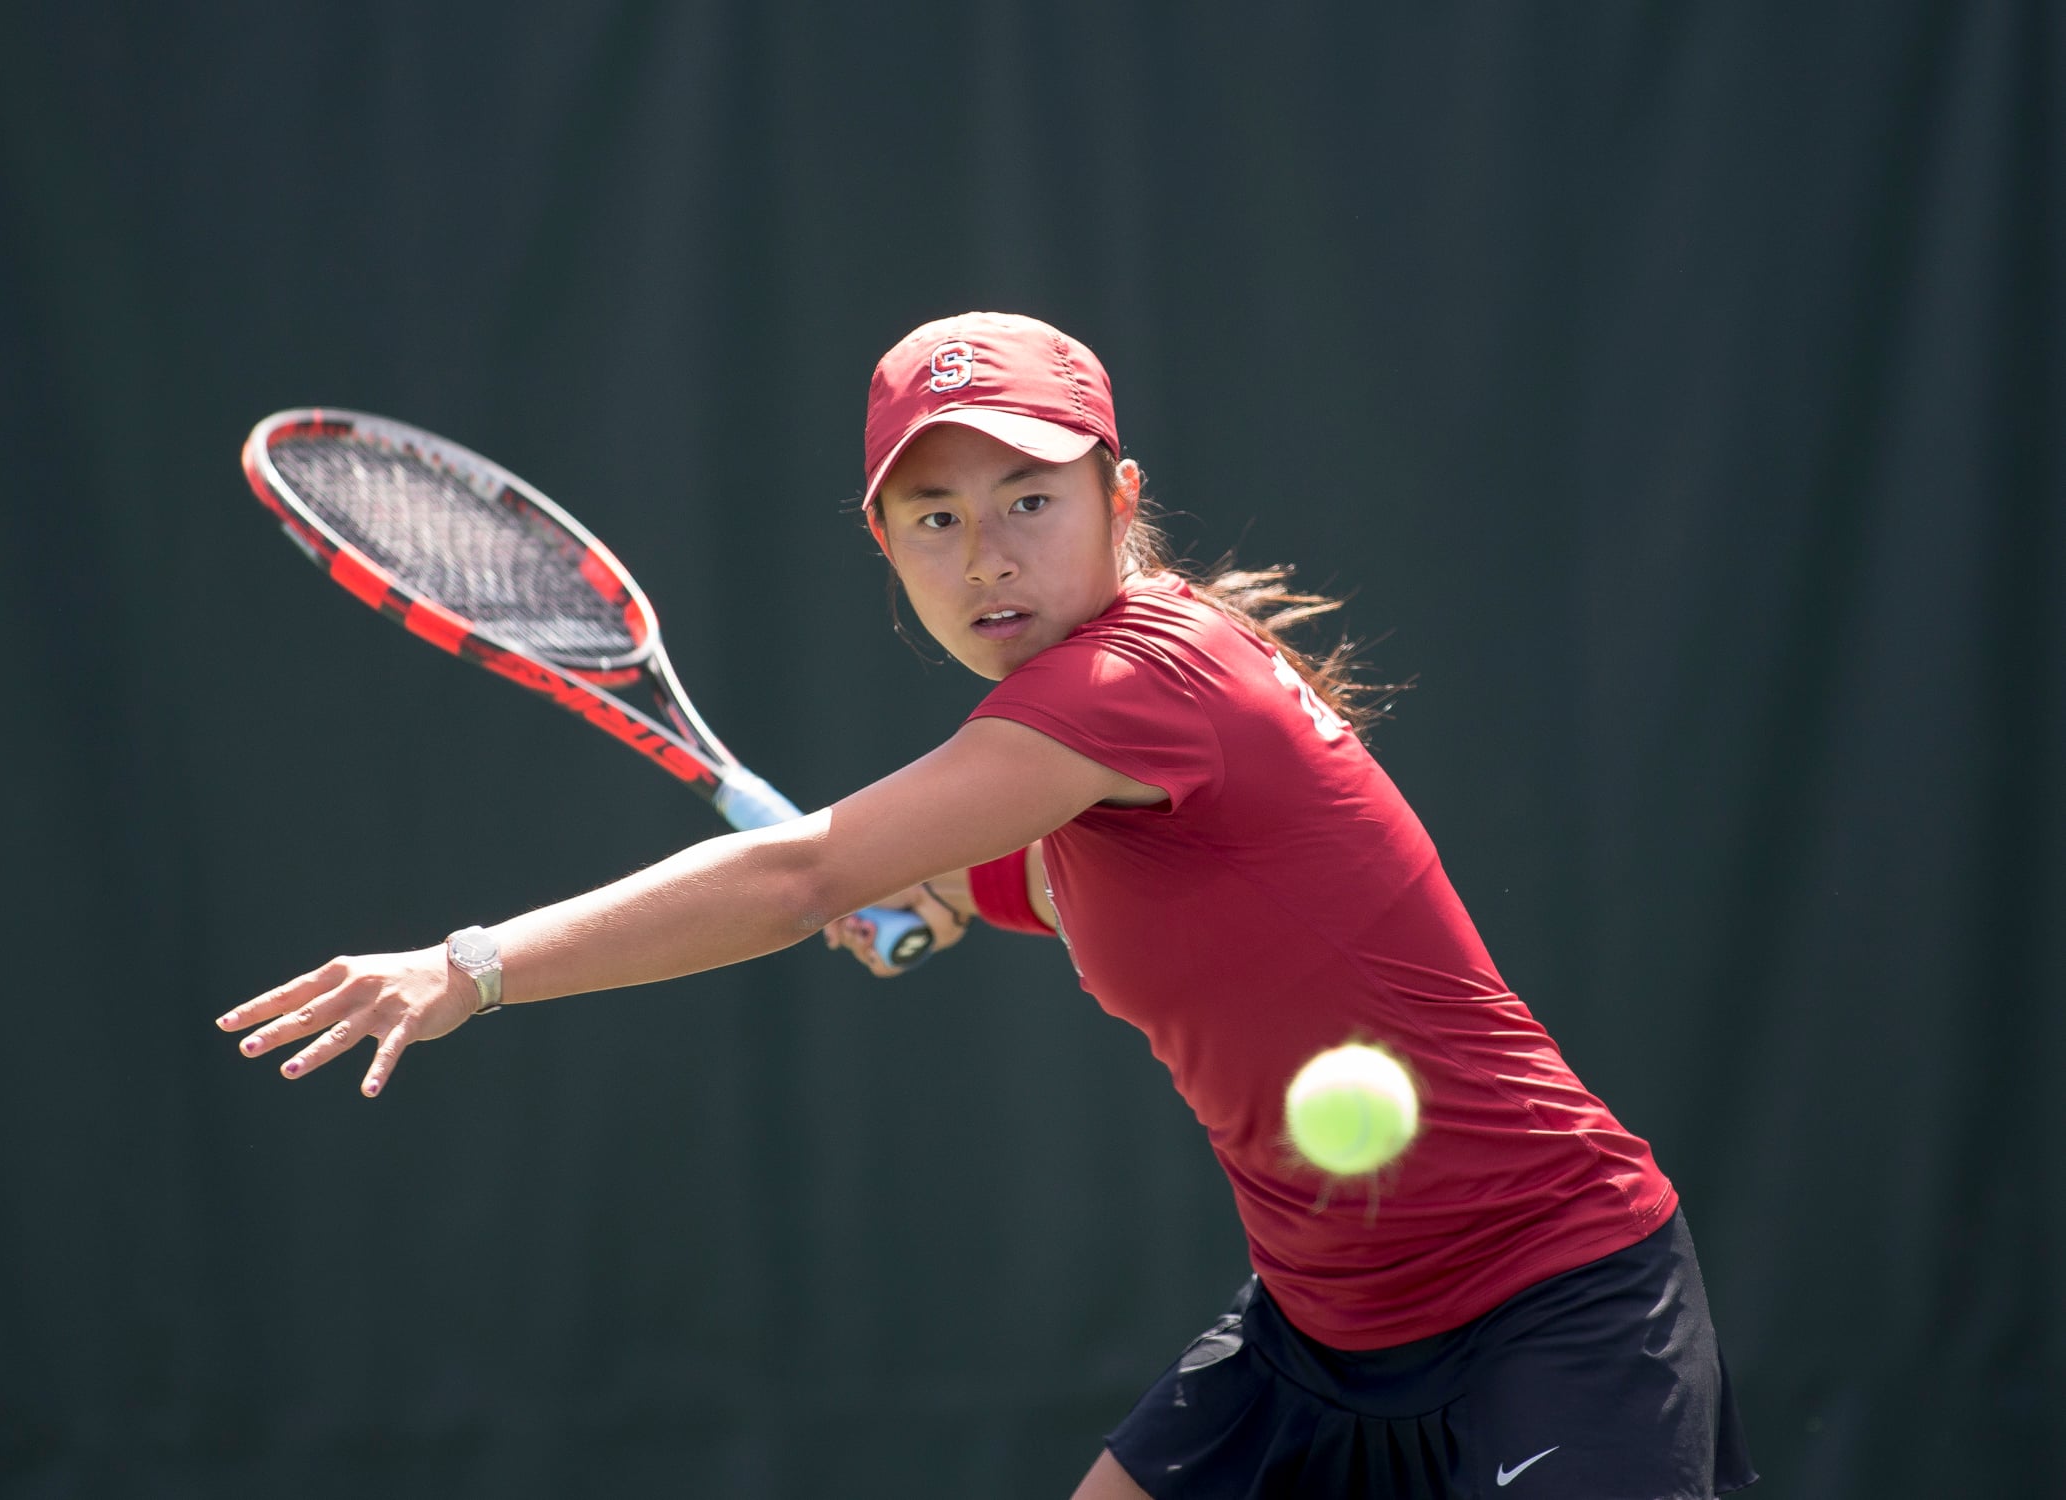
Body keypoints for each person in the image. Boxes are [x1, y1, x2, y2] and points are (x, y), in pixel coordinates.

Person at [219, 311, 1756, 1499]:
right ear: (885, 546)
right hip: (1324, 1329)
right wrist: (939, 893)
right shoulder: (1089, 745)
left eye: (1029, 498)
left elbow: (802, 874)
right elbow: (1019, 878)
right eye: (937, 517)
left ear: (1118, 498)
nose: (987, 556)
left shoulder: (1137, 680)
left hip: (1553, 1305)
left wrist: (474, 965)